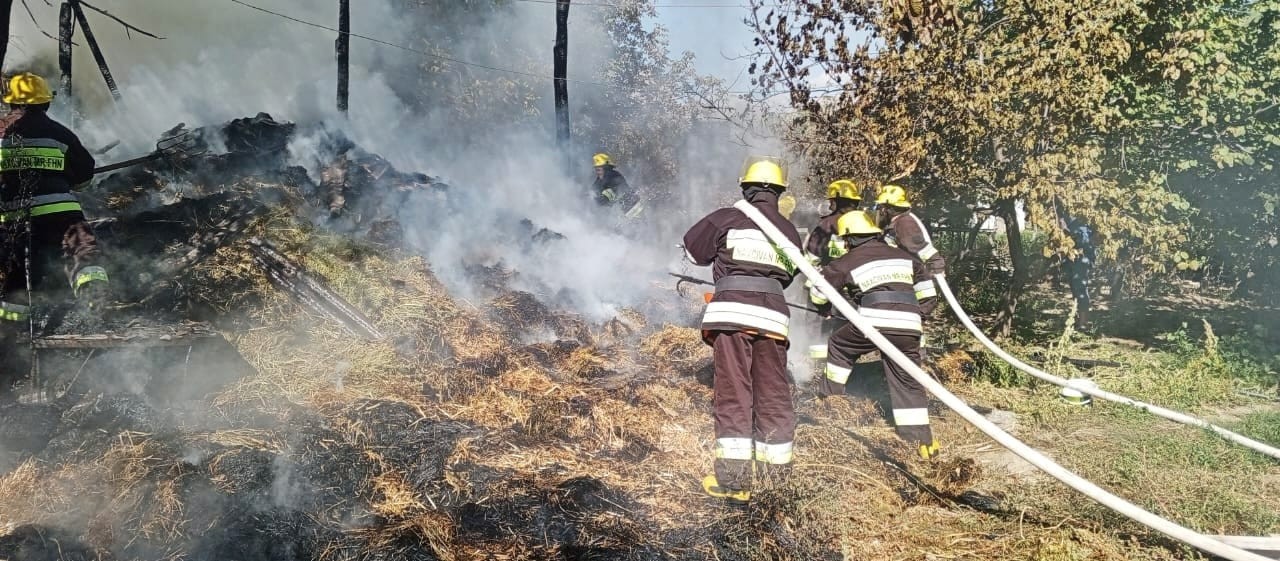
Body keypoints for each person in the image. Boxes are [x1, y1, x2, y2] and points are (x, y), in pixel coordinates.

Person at [682, 156, 803, 503]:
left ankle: (734, 483)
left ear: (746, 188)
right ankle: (776, 478)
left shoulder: (727, 217)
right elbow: (790, 276)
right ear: (778, 193)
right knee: (774, 393)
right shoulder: (789, 232)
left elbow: (693, 250)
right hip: (774, 318)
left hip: (733, 314)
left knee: (735, 390)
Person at [0, 72, 108, 392]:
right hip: (61, 215)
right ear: (45, 102)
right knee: (82, 250)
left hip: (11, 224)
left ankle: (10, 342)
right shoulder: (59, 132)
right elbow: (85, 175)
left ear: (11, 103)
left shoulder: (1, 132)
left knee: (15, 281)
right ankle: (95, 304)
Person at [810, 210, 941, 460]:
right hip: (910, 326)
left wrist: (825, 310)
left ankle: (830, 400)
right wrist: (915, 316)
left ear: (850, 239)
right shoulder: (905, 257)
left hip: (873, 324)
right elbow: (928, 294)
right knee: (907, 379)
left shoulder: (848, 260)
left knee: (839, 345)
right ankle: (921, 442)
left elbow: (818, 292)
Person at [874, 185, 943, 359]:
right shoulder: (897, 223)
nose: (879, 211)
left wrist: (936, 263)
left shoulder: (904, 223)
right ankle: (911, 362)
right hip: (910, 284)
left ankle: (914, 361)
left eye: (881, 208)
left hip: (916, 285)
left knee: (909, 324)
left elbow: (919, 247)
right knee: (907, 324)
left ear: (888, 208)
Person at [802, 179, 862, 363]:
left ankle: (815, 362)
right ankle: (844, 359)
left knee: (817, 319)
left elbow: (812, 257)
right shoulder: (864, 223)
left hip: (828, 282)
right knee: (847, 323)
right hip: (856, 285)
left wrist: (808, 281)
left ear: (835, 201)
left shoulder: (827, 224)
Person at [1057, 205, 1096, 330]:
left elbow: (1084, 241)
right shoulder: (1067, 214)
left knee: (1081, 288)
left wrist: (1066, 230)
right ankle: (1079, 319)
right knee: (1074, 288)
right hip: (1070, 258)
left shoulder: (1085, 219)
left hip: (1082, 258)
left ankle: (1084, 323)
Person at [591, 153, 642, 219]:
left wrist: (603, 198)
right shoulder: (602, 179)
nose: (597, 172)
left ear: (606, 168)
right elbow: (594, 188)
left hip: (632, 210)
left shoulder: (613, 176)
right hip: (624, 213)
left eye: (599, 170)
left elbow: (614, 192)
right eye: (596, 170)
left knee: (639, 226)